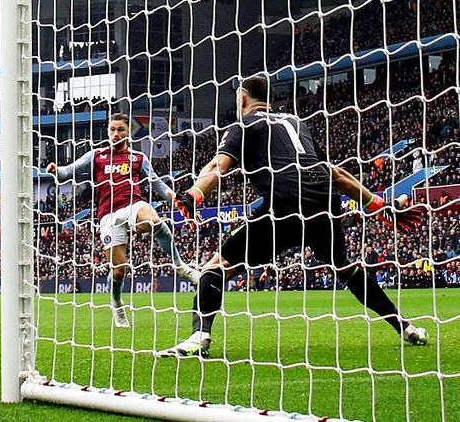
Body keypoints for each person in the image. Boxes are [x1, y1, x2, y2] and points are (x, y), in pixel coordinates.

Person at [162, 75, 428, 357]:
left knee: (216, 267)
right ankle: (405, 327)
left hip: (286, 201)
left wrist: (194, 194)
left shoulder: (245, 124)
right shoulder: (296, 123)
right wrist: (380, 206)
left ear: (242, 98)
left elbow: (218, 165)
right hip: (323, 199)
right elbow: (335, 174)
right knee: (343, 267)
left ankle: (198, 336)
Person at [46, 113, 199, 328]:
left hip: (133, 205)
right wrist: (56, 170)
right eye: (112, 130)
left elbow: (157, 184)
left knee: (155, 221)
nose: (116, 134)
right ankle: (117, 304)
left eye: (121, 130)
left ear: (128, 132)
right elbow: (67, 173)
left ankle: (181, 267)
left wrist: (176, 199)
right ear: (108, 131)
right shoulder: (97, 156)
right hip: (108, 216)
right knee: (119, 271)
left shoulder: (138, 158)